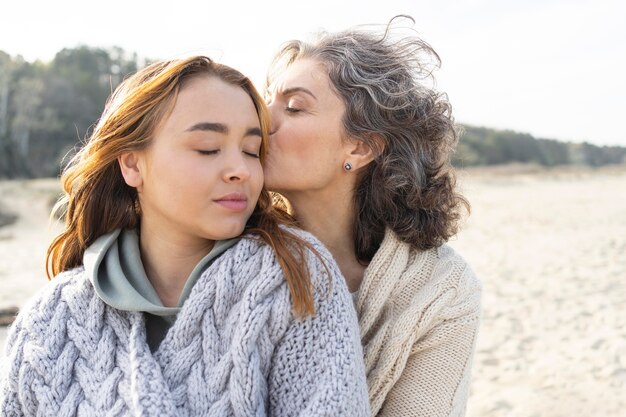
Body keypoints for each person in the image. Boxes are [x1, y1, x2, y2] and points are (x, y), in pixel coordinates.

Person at [0, 56, 370, 416]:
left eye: (252, 151)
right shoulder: (49, 319)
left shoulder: (297, 280)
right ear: (132, 163)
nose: (240, 170)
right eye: (208, 148)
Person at [264, 17, 482, 417]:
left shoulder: (441, 290)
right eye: (266, 101)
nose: (263, 121)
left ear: (361, 148)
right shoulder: (229, 249)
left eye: (293, 107)